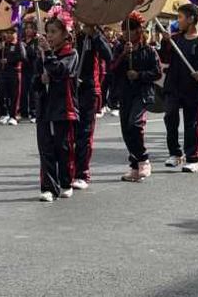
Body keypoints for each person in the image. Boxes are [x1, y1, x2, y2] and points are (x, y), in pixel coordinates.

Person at [160, 4, 198, 173]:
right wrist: (165, 43)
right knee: (170, 117)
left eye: (180, 17)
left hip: (194, 89)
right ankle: (175, 153)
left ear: (191, 19)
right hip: (174, 86)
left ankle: (193, 158)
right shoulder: (175, 40)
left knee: (192, 123)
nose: (178, 21)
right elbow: (164, 57)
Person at [110, 12, 162, 182]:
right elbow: (112, 69)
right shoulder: (119, 48)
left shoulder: (149, 50)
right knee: (126, 130)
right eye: (124, 30)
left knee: (134, 124)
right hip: (125, 94)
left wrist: (139, 75)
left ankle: (143, 159)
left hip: (142, 94)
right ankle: (134, 165)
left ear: (138, 31)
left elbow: (157, 73)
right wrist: (123, 55)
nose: (125, 34)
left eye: (129, 30)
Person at [35, 13, 79, 201]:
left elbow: (62, 71)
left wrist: (49, 57)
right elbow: (33, 82)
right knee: (46, 148)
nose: (50, 36)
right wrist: (39, 79)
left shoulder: (71, 54)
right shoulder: (43, 55)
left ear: (65, 33)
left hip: (63, 107)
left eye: (54, 32)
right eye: (48, 32)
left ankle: (66, 182)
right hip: (45, 107)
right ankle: (48, 188)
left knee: (63, 147)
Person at [73, 23, 112, 189]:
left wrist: (94, 34)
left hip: (87, 90)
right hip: (66, 89)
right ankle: (67, 171)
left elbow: (108, 55)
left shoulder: (92, 34)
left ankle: (82, 173)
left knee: (84, 132)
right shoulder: (62, 31)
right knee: (66, 134)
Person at [0, 28, 27, 125]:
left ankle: (14, 115)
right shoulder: (4, 45)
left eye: (11, 33)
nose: (9, 35)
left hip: (14, 72)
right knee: (1, 93)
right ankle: (4, 113)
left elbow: (23, 57)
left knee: (14, 95)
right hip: (3, 73)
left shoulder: (19, 44)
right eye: (8, 33)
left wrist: (9, 60)